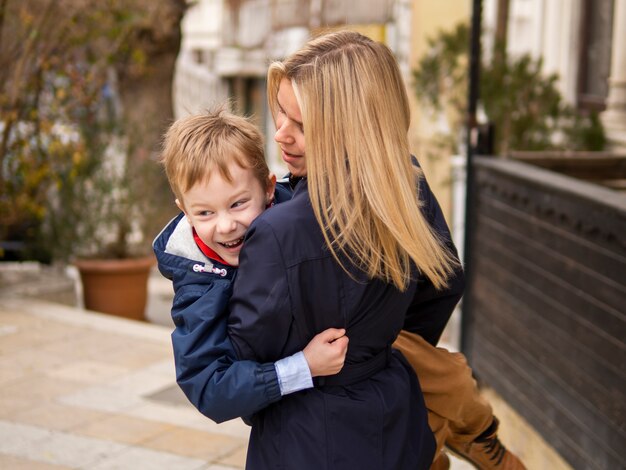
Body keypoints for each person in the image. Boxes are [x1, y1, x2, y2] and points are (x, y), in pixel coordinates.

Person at [227, 31, 525, 469]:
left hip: (304, 439)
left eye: (302, 125)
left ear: (350, 126)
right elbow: (445, 283)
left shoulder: (275, 232)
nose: (281, 136)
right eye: (280, 115)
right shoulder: (407, 185)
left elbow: (247, 361)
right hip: (394, 418)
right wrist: (379, 347)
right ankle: (474, 431)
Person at [153, 109, 349, 423]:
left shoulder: (302, 215)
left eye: (238, 203)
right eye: (205, 213)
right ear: (184, 211)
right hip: (288, 415)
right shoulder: (198, 285)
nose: (227, 225)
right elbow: (210, 387)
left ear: (269, 188)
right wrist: (302, 367)